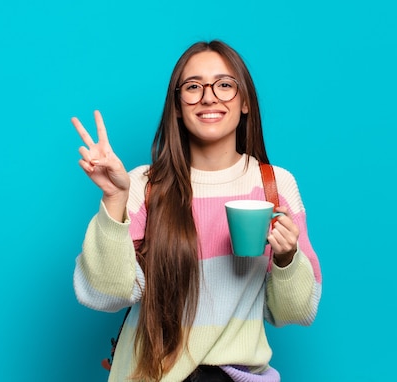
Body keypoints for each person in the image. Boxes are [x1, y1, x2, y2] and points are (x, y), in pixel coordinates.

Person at [72, 40, 322, 382]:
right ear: (177, 106)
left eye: (224, 85)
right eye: (193, 87)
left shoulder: (274, 185)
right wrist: (115, 198)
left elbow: (298, 312)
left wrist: (286, 258)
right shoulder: (144, 185)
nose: (208, 96)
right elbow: (102, 294)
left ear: (245, 101)